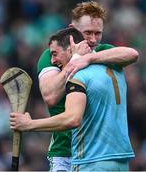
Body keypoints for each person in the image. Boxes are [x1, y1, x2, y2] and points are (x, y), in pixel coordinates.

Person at [10, 27, 135, 171]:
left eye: (55, 54)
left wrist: (28, 124)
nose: (52, 60)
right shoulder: (115, 67)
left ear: (71, 46)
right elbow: (132, 54)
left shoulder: (78, 75)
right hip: (121, 160)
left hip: (91, 161)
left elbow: (72, 118)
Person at [36, 1, 138, 171]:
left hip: (95, 153)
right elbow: (50, 96)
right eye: (87, 33)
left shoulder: (102, 51)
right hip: (65, 151)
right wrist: (74, 60)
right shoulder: (53, 55)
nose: (92, 40)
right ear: (72, 30)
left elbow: (132, 54)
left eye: (98, 33)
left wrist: (89, 58)